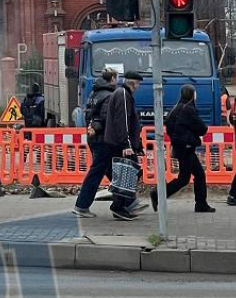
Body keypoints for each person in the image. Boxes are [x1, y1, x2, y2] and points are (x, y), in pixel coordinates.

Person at [151, 85, 214, 213]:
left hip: (181, 147)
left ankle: (201, 204)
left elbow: (170, 128)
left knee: (199, 174)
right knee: (184, 178)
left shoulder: (175, 108)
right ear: (192, 95)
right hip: (187, 147)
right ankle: (158, 194)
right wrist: (194, 139)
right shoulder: (189, 109)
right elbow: (202, 128)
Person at [72, 68, 118, 218]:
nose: (117, 81)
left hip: (94, 138)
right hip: (104, 139)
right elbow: (106, 119)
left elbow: (90, 115)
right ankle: (82, 205)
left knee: (111, 172)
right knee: (96, 173)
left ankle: (127, 201)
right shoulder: (109, 96)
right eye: (116, 78)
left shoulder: (94, 93)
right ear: (112, 79)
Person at [103, 71, 145, 221]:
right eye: (138, 83)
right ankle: (119, 206)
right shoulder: (123, 95)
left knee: (128, 174)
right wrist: (127, 143)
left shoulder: (121, 93)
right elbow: (123, 121)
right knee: (126, 174)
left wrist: (136, 145)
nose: (138, 87)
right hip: (121, 144)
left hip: (120, 143)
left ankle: (126, 204)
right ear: (132, 82)